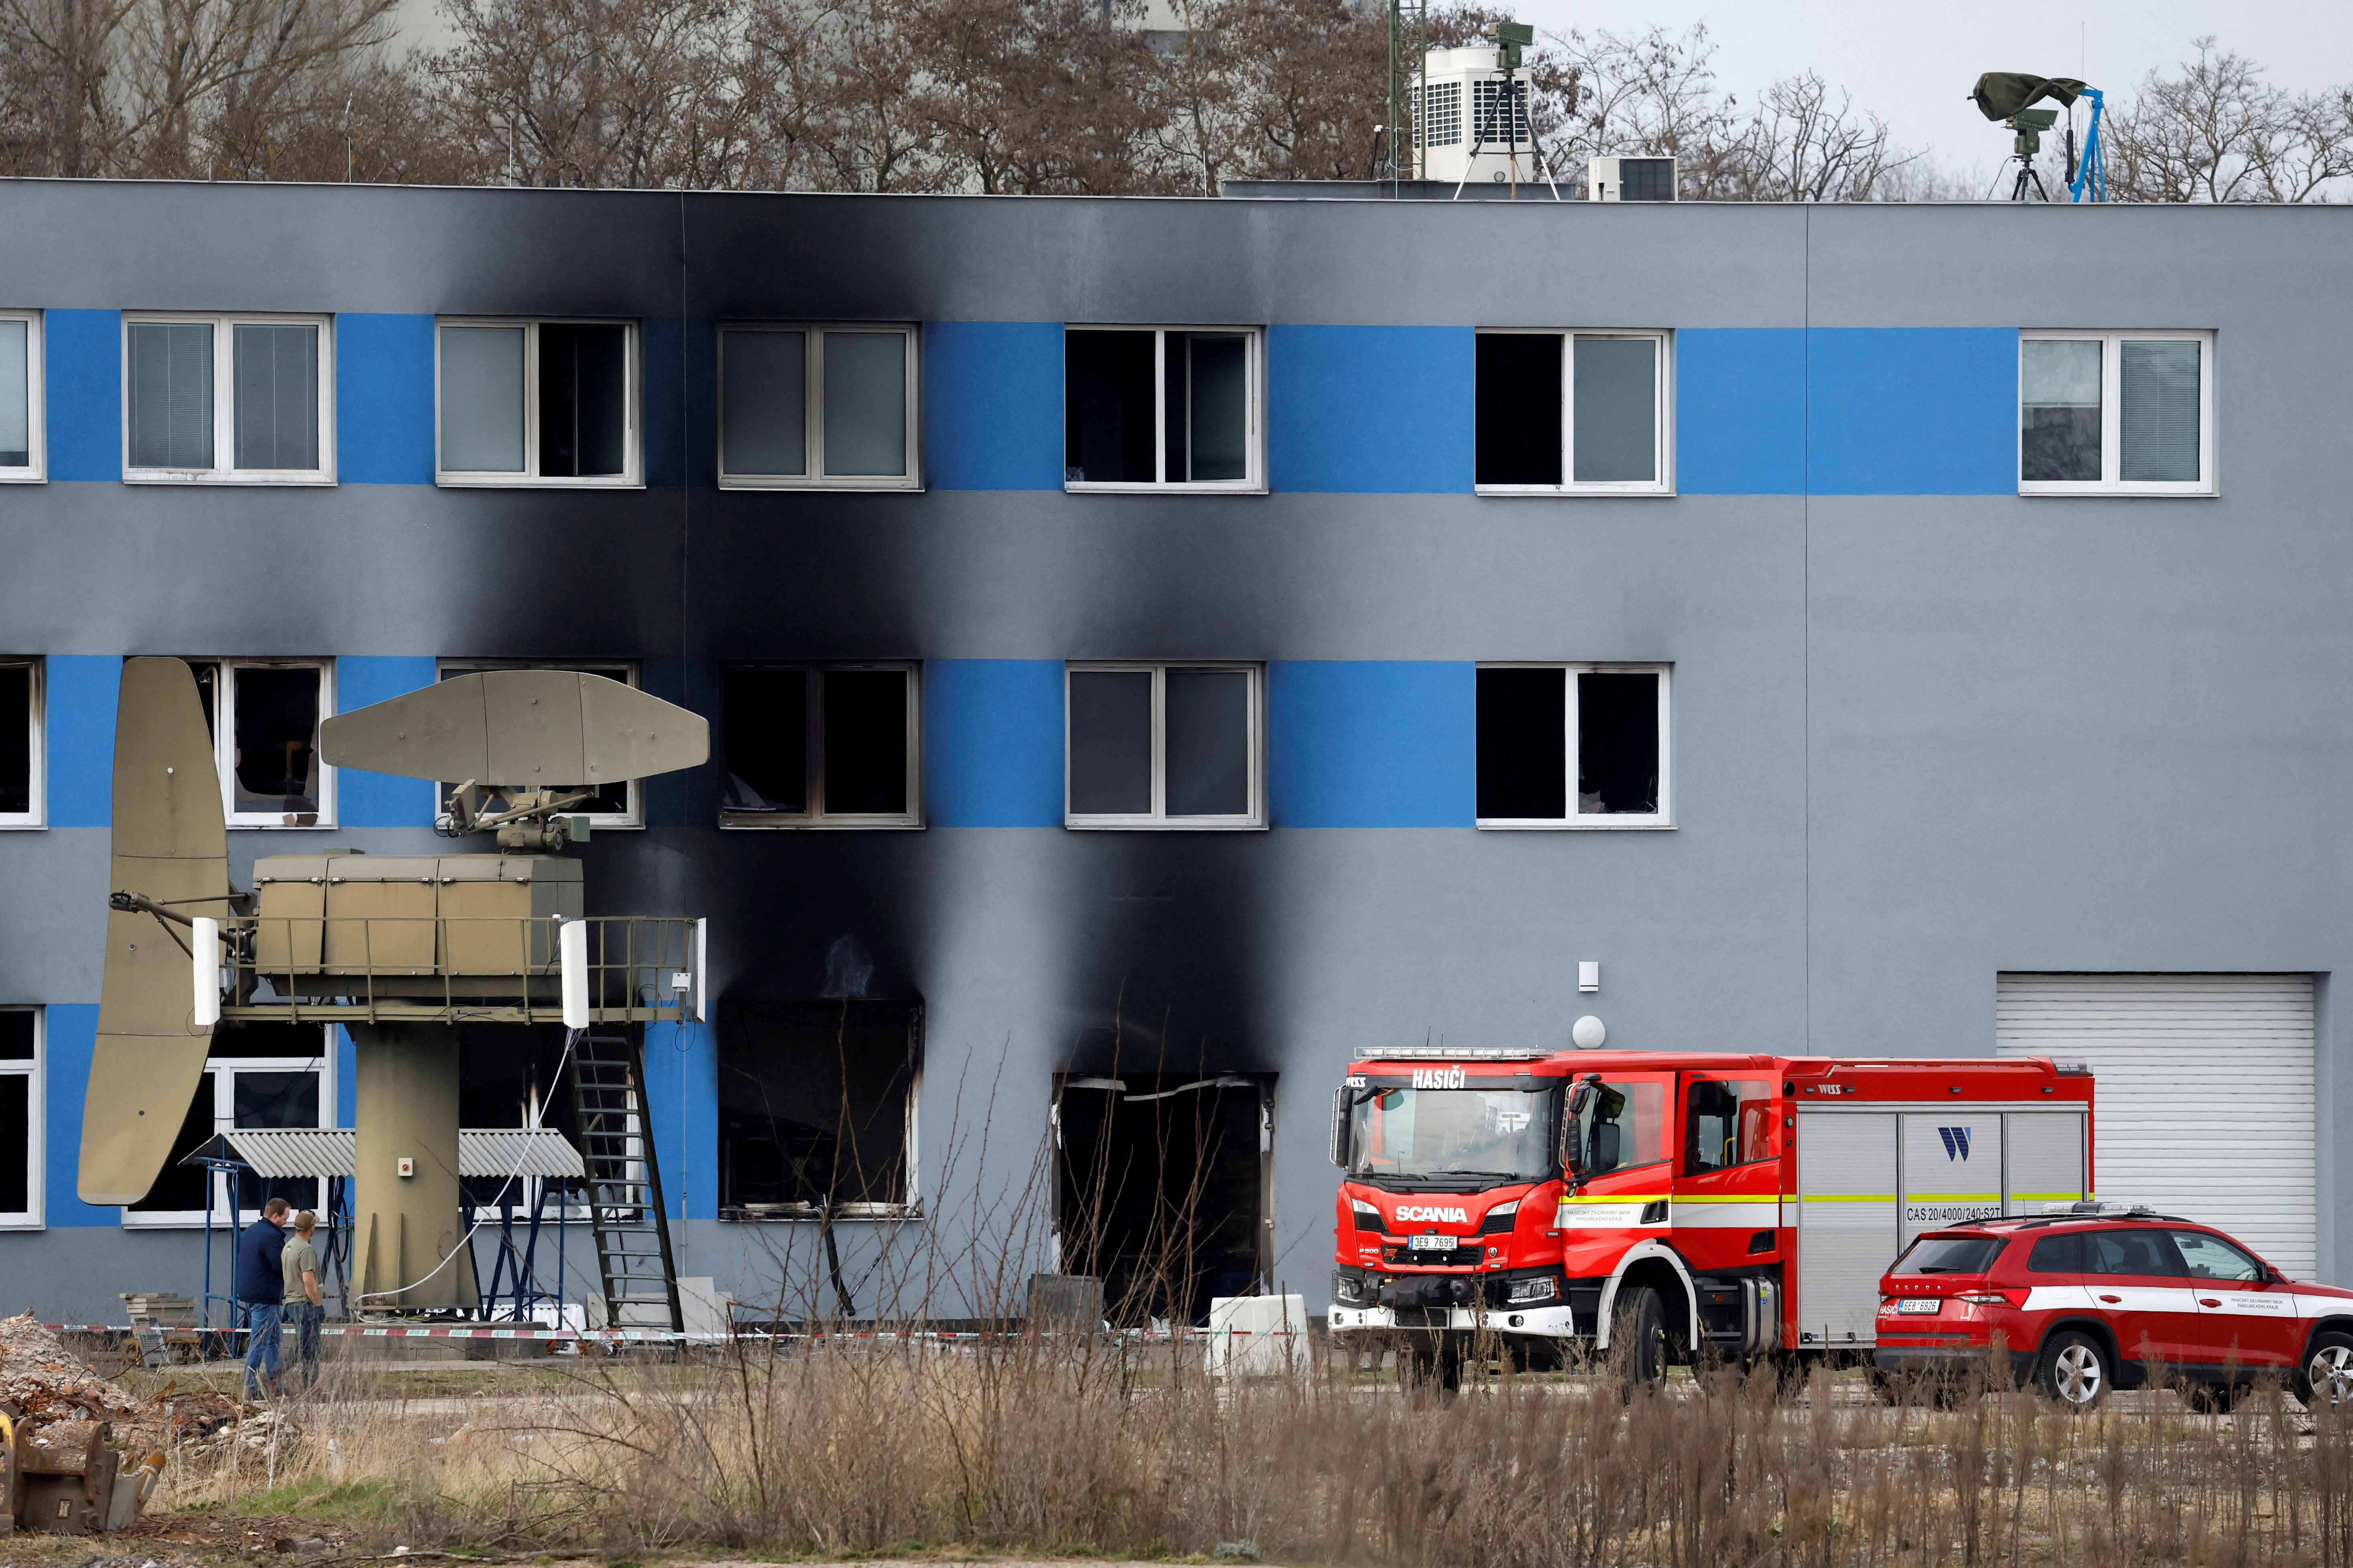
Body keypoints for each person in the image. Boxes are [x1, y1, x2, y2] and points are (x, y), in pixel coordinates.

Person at [234, 1196, 291, 1399]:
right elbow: (279, 1266)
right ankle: (251, 1389)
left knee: (274, 1340)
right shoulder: (272, 1236)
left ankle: (275, 1384)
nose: (286, 1223)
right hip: (265, 1297)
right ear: (275, 1216)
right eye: (285, 1218)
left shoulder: (251, 1231)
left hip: (251, 1294)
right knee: (259, 1344)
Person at [281, 1209, 325, 1391]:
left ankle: (311, 1388)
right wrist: (318, 1305)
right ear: (312, 1227)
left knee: (305, 1347)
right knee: (309, 1348)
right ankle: (274, 1374)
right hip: (305, 1304)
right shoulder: (306, 1250)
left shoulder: (289, 1246)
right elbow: (308, 1281)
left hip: (292, 1303)